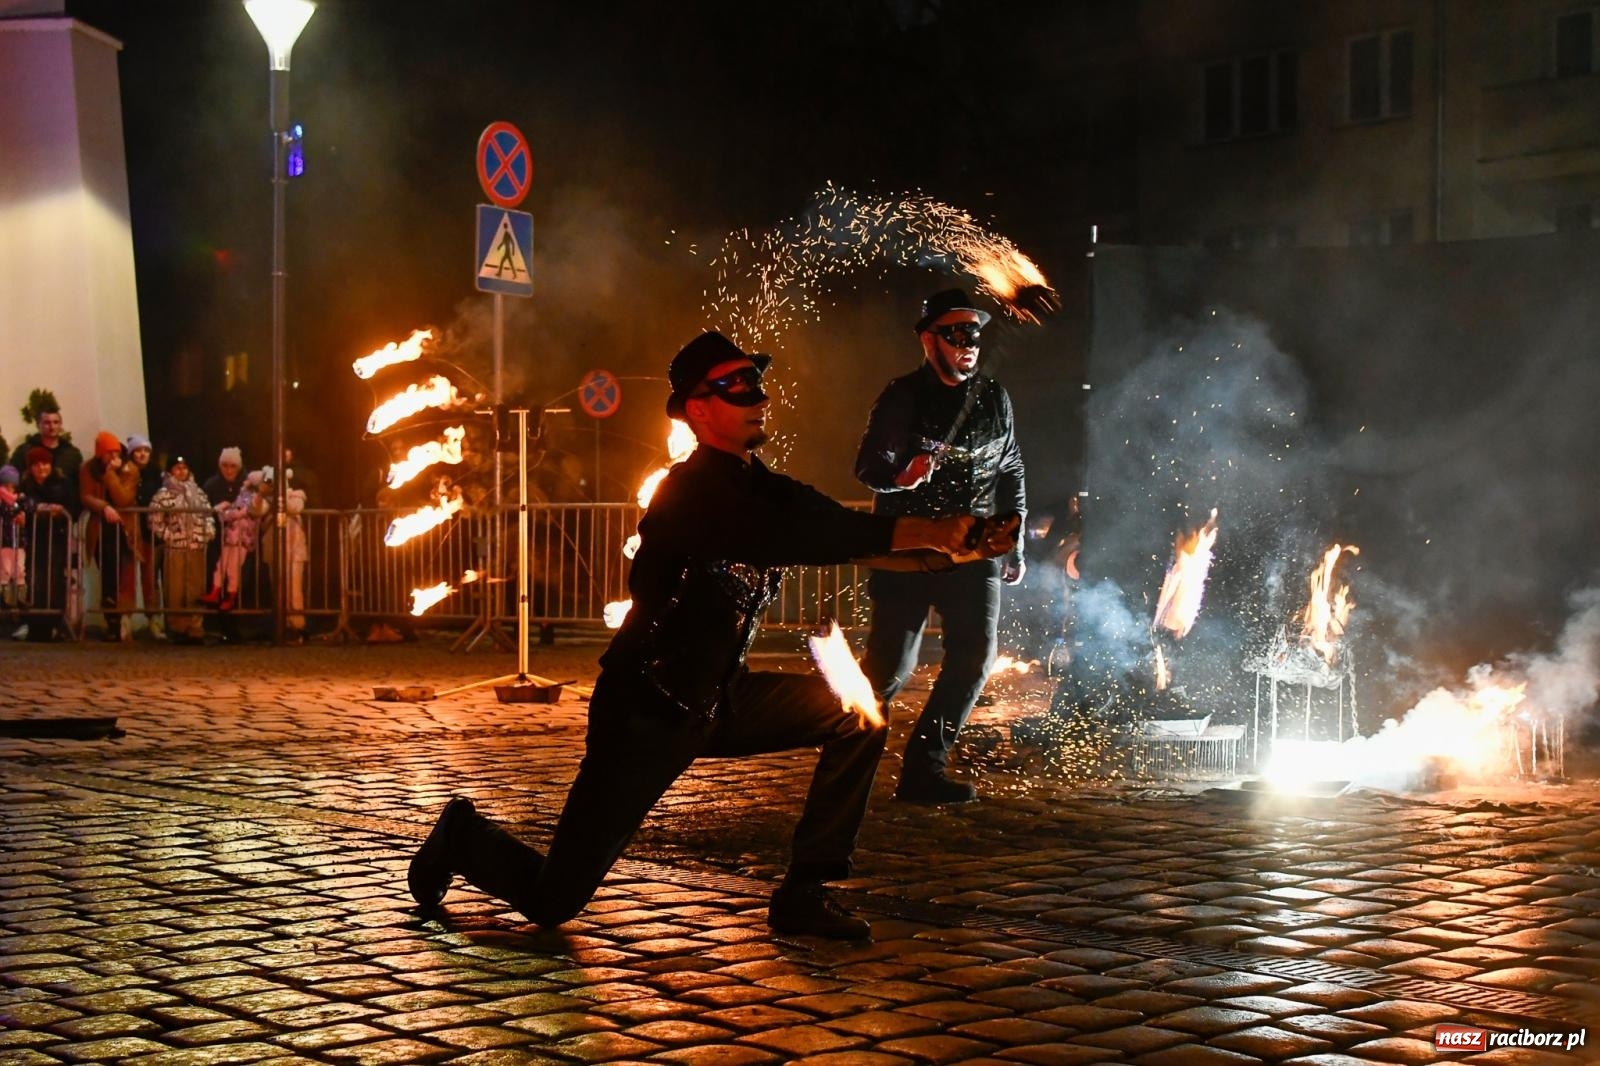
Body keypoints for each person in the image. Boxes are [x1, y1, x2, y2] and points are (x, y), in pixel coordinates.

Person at [409, 330, 1016, 940]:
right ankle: (462, 835)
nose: (759, 397)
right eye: (738, 387)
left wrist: (957, 547)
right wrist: (927, 531)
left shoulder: (763, 485)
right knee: (553, 901)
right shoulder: (690, 493)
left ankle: (804, 893)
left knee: (857, 715)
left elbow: (843, 529)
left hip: (723, 698)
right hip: (647, 712)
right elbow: (809, 539)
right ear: (697, 409)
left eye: (758, 384)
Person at [855, 289, 1028, 805]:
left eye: (974, 333)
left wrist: (1013, 541)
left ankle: (924, 769)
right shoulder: (902, 397)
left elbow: (1012, 468)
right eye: (955, 333)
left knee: (975, 658)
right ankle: (849, 762)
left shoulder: (995, 397)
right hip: (909, 550)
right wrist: (902, 478)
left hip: (972, 552)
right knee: (889, 670)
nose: (967, 343)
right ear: (928, 339)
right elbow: (867, 470)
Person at [79, 431, 142, 641]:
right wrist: (104, 507)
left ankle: (121, 622)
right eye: (109, 452)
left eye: (116, 451)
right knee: (106, 572)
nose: (113, 456)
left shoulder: (129, 470)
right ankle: (110, 620)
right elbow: (86, 495)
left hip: (123, 528)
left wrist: (111, 475)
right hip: (100, 528)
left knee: (122, 574)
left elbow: (123, 499)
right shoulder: (88, 469)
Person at [149, 455, 215, 644]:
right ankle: (177, 626)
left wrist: (207, 533)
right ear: (170, 471)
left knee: (196, 587)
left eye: (184, 468)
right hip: (176, 548)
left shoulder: (198, 493)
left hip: (196, 547)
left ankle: (195, 626)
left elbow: (208, 515)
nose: (181, 471)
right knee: (176, 588)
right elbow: (154, 520)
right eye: (177, 468)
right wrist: (170, 536)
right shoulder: (163, 494)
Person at [18, 446, 77, 640]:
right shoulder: (25, 486)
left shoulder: (62, 483)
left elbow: (73, 507)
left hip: (57, 537)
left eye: (45, 463)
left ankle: (54, 624)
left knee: (55, 581)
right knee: (36, 581)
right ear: (30, 468)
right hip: (33, 539)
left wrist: (61, 511)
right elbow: (20, 507)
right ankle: (37, 626)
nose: (41, 468)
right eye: (36, 465)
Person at [8, 402, 84, 489]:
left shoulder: (72, 454)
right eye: (47, 423)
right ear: (38, 425)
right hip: (33, 500)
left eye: (56, 422)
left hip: (65, 501)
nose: (52, 426)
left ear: (60, 425)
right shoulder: (24, 451)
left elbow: (79, 486)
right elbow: (11, 481)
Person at [0, 465, 33, 613]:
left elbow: (31, 506)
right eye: (5, 485)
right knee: (5, 570)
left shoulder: (21, 498)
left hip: (19, 541)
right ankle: (3, 597)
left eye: (12, 485)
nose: (9, 489)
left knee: (20, 569)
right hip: (4, 541)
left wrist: (23, 508)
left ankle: (21, 598)